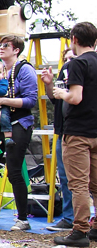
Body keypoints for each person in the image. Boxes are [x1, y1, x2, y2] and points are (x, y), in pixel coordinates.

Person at [0, 35, 38, 230]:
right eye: (0, 45)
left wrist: (1, 101)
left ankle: (22, 218)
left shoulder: (24, 69)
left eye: (6, 45)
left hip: (18, 123)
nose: (1, 48)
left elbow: (30, 101)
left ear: (16, 50)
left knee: (14, 170)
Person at [47, 22, 97, 247]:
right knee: (96, 184)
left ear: (74, 39)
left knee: (78, 184)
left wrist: (61, 93)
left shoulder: (78, 63)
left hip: (77, 132)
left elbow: (75, 97)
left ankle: (80, 230)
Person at [42, 48, 76, 231]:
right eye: (66, 58)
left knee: (83, 179)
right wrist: (49, 84)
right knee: (65, 177)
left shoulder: (85, 73)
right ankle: (69, 217)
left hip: (81, 132)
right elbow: (56, 99)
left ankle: (83, 219)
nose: (69, 61)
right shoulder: (65, 73)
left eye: (73, 57)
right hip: (62, 132)